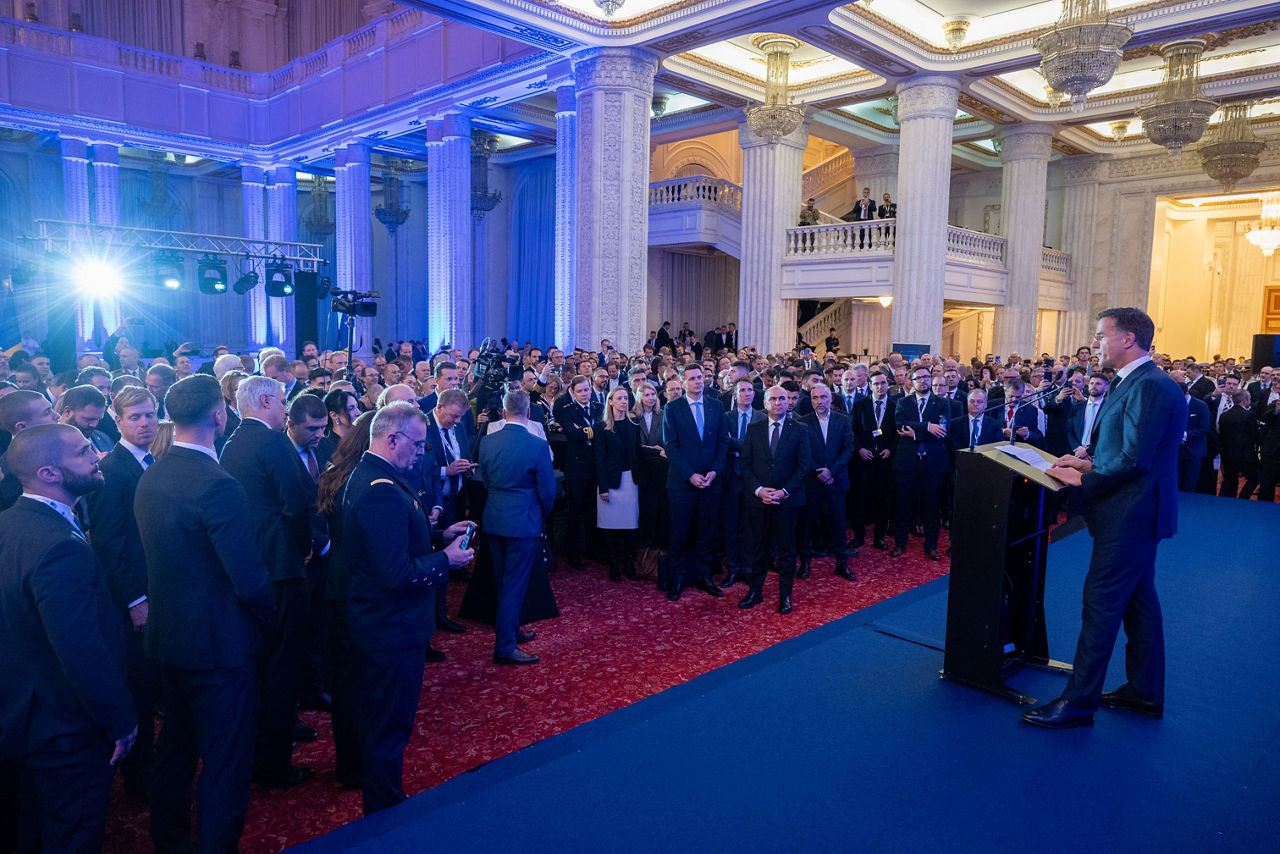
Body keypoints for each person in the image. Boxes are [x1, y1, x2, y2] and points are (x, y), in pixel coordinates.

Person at [134, 374, 274, 851]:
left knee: (174, 750)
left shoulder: (152, 472)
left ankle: (169, 841)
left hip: (169, 637)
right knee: (224, 763)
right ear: (220, 414)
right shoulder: (217, 485)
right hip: (220, 646)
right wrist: (268, 619)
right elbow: (249, 577)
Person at [1027, 308, 1185, 729]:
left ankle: (1079, 703)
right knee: (1140, 606)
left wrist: (1083, 481)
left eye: (1100, 336)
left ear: (1128, 339)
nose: (1095, 343)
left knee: (1101, 607)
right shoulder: (1136, 381)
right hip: (1134, 510)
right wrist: (1087, 462)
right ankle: (1145, 692)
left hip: (1130, 515)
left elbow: (1135, 457)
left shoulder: (1149, 385)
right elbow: (1127, 448)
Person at [0, 423, 137, 853]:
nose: (97, 455)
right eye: (82, 452)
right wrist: (120, 720)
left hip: (22, 715)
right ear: (49, 473)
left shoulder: (10, 521)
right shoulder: (59, 545)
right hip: (63, 727)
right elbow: (80, 649)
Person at [341, 402, 472, 814]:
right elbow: (394, 573)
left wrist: (436, 535)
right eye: (417, 444)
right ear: (392, 438)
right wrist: (445, 560)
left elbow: (395, 540)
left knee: (383, 720)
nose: (422, 452)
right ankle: (384, 811)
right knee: (389, 724)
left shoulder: (378, 475)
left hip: (384, 624)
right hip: (390, 628)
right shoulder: (380, 489)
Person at [218, 375, 318, 788]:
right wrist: (304, 546)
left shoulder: (231, 444)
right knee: (281, 666)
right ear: (264, 400)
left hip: (251, 568)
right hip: (282, 565)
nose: (285, 407)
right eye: (281, 400)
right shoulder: (274, 442)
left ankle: (262, 749)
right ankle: (274, 764)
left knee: (262, 665)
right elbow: (297, 503)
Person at [84, 385, 161, 800]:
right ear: (118, 421)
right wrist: (135, 600)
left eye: (150, 414)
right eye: (135, 417)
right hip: (135, 597)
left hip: (158, 586)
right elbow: (109, 543)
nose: (145, 423)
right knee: (141, 688)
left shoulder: (152, 461)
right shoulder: (113, 470)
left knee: (155, 682)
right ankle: (138, 777)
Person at [315, 410, 376, 790]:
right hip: (357, 591)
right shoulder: (363, 482)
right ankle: (356, 765)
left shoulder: (337, 473)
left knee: (347, 682)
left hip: (338, 587)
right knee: (358, 684)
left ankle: (350, 763)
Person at [477, 389, 556, 665]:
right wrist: (539, 513)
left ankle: (510, 630)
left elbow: (484, 480)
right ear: (530, 412)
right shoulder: (537, 445)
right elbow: (548, 491)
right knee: (513, 585)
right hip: (523, 520)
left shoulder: (488, 442)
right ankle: (505, 645)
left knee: (503, 582)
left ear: (502, 411)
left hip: (494, 516)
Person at [738, 386, 812, 614]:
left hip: (787, 501)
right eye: (774, 399)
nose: (779, 402)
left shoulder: (799, 429)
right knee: (758, 549)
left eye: (783, 398)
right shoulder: (754, 428)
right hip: (759, 500)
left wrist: (784, 491)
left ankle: (785, 596)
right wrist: (759, 490)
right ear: (765, 402)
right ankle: (755, 591)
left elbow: (803, 466)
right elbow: (745, 464)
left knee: (787, 551)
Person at [662, 363, 728, 601]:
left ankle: (703, 576)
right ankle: (676, 579)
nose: (698, 381)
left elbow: (723, 442)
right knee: (679, 533)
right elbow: (671, 446)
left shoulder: (716, 406)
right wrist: (690, 475)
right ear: (682, 382)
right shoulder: (672, 408)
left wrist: (714, 471)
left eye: (700, 377)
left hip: (711, 481)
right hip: (682, 483)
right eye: (692, 378)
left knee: (706, 532)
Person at [891, 366, 951, 561]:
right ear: (912, 381)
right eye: (919, 378)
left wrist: (914, 433)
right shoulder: (902, 402)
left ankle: (931, 545)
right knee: (902, 505)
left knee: (931, 507)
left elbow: (942, 430)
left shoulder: (942, 403)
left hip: (932, 463)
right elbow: (900, 425)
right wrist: (926, 427)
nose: (923, 380)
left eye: (926, 377)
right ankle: (900, 544)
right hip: (907, 462)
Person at [800, 382, 856, 581]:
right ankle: (805, 563)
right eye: (815, 398)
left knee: (838, 524)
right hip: (812, 482)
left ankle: (842, 564)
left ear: (830, 398)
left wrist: (831, 471)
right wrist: (819, 472)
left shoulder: (843, 420)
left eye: (823, 397)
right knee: (808, 525)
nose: (819, 401)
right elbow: (803, 452)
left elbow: (849, 448)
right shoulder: (803, 422)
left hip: (836, 480)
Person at [594, 386, 643, 582]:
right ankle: (614, 564)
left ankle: (628, 562)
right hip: (610, 481)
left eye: (626, 398)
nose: (624, 401)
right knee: (610, 526)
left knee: (630, 525)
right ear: (611, 401)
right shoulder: (602, 426)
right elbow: (599, 458)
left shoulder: (634, 424)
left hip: (630, 479)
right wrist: (603, 487)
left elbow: (638, 451)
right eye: (619, 398)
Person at [552, 375, 600, 572]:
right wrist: (591, 432)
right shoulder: (567, 410)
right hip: (577, 467)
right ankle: (573, 553)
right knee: (575, 510)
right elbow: (573, 435)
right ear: (572, 392)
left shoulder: (598, 407)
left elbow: (604, 430)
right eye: (579, 391)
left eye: (586, 390)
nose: (584, 394)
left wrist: (586, 431)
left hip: (596, 465)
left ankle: (592, 548)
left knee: (593, 510)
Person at [851, 370, 897, 551]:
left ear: (887, 385)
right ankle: (859, 536)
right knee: (860, 500)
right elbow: (851, 431)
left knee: (884, 500)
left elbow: (897, 433)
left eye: (883, 383)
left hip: (885, 462)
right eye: (876, 384)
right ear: (870, 386)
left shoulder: (895, 405)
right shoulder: (860, 405)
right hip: (863, 461)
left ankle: (879, 536)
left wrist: (890, 449)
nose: (880, 386)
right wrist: (860, 449)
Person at [1217, 389, 1259, 499]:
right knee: (1254, 478)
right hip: (1245, 455)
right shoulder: (1249, 415)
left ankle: (1224, 501)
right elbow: (1254, 435)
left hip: (1228, 453)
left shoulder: (1224, 416)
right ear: (1245, 401)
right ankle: (1243, 498)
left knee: (1229, 479)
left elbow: (1221, 434)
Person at [1177, 383, 1210, 492]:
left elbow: (1204, 427)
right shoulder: (1172, 404)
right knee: (1176, 483)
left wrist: (1186, 435)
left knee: (1190, 483)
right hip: (1176, 451)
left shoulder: (1201, 406)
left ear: (1186, 393)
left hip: (1194, 450)